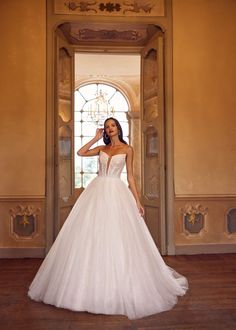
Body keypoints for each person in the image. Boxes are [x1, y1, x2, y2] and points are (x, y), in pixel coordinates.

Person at [28, 117, 188, 320]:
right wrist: (95, 137)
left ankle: (118, 283)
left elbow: (130, 176)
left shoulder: (128, 149)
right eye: (106, 127)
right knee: (90, 235)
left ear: (118, 128)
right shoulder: (102, 148)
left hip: (116, 192)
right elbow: (80, 152)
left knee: (116, 234)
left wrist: (137, 201)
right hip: (97, 190)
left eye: (112, 126)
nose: (109, 129)